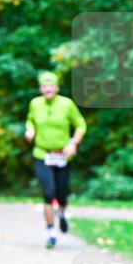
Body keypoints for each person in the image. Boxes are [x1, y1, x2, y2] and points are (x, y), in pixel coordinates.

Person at [24, 71, 86, 249]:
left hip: (62, 155)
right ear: (40, 88)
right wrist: (29, 130)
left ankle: (63, 214)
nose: (48, 89)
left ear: (57, 88)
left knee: (62, 194)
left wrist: (73, 143)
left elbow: (81, 124)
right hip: (42, 154)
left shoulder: (67, 104)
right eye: (44, 85)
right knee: (48, 193)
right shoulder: (35, 103)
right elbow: (30, 121)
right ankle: (51, 233)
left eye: (51, 85)